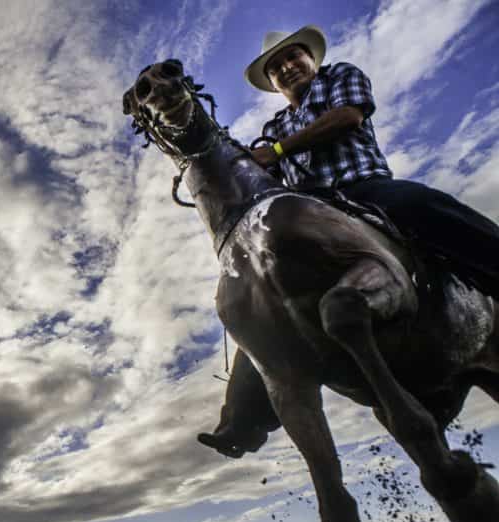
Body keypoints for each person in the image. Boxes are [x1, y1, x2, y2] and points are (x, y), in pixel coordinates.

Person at [199, 24, 499, 456]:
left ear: (311, 59)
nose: (287, 67)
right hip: (312, 220)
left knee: (423, 206)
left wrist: (278, 152)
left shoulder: (340, 78)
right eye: (277, 67)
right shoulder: (276, 123)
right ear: (273, 82)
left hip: (364, 191)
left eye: (293, 58)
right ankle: (242, 419)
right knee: (264, 306)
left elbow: (348, 118)